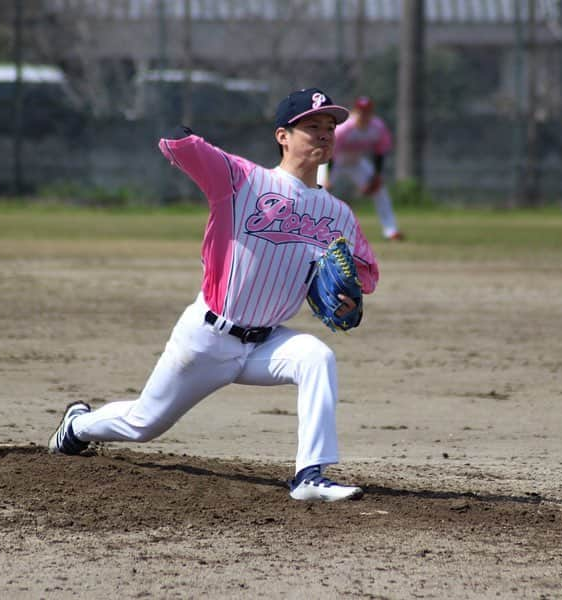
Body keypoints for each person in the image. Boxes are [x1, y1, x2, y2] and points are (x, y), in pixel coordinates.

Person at [48, 88, 380, 503]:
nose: (324, 134)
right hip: (207, 339)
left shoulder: (339, 214)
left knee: (317, 357)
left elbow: (364, 275)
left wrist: (350, 299)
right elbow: (176, 144)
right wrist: (178, 124)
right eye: (311, 126)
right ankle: (78, 426)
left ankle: (309, 476)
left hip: (267, 344)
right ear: (283, 136)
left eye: (330, 127)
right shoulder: (241, 179)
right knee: (143, 424)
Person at [319, 96, 403, 241]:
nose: (364, 115)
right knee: (318, 190)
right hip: (333, 160)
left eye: (367, 112)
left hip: (356, 162)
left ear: (371, 113)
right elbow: (329, 152)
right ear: (355, 111)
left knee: (380, 190)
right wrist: (327, 178)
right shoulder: (345, 127)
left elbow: (380, 152)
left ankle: (391, 230)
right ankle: (314, 230)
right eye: (361, 111)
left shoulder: (377, 127)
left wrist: (376, 176)